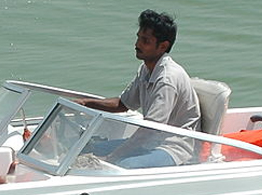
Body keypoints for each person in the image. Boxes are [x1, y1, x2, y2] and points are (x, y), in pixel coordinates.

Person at [77, 10, 201, 168]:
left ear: (163, 46)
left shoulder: (166, 80)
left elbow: (151, 129)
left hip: (172, 147)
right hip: (150, 142)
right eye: (138, 38)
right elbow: (122, 104)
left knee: (122, 165)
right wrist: (86, 103)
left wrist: (113, 157)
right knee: (86, 150)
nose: (137, 44)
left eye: (145, 41)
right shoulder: (146, 69)